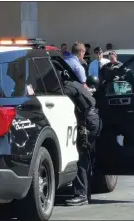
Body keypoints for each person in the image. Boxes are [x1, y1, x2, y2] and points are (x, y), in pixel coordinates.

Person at [54, 65, 102, 206]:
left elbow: (57, 100)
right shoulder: (74, 84)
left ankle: (81, 194)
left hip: (88, 122)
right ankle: (85, 194)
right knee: (85, 158)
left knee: (80, 159)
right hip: (92, 120)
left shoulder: (68, 88)